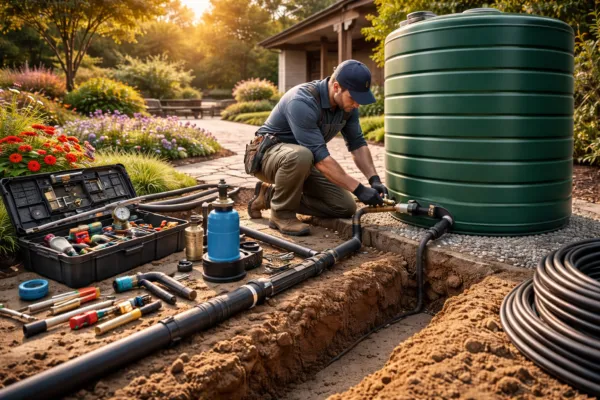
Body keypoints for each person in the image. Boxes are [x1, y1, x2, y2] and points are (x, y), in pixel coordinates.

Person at [245, 59, 389, 236]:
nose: (357, 104)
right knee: (302, 155)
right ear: (336, 87)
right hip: (267, 157)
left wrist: (374, 180)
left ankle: (268, 196)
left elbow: (357, 144)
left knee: (344, 206)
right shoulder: (302, 101)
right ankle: (282, 214)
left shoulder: (347, 107)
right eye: (354, 98)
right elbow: (320, 159)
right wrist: (359, 189)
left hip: (303, 161)